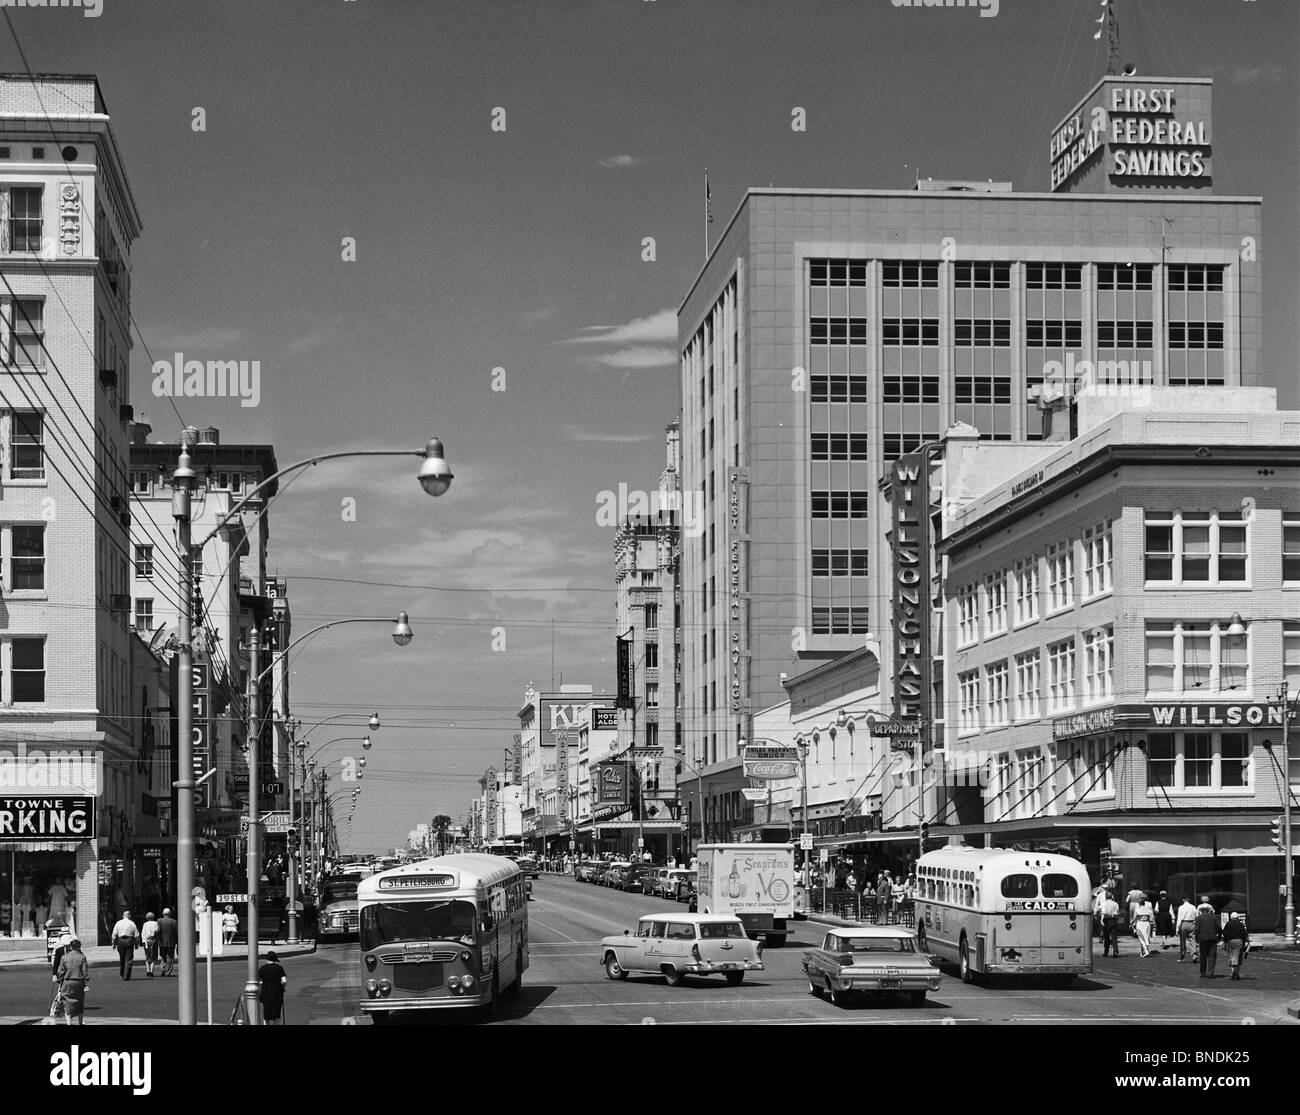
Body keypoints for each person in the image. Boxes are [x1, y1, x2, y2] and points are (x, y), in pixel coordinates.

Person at [54, 937, 89, 1025]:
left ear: (70, 947)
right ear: (79, 947)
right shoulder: (82, 957)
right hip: (79, 982)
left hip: (67, 982)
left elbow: (61, 971)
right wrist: (86, 979)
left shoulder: (64, 957)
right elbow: (84, 971)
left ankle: (69, 1023)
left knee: (67, 1003)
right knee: (79, 1002)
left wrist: (59, 980)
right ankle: (80, 1022)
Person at [258, 951, 288, 1024]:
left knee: (266, 1010)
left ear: (267, 959)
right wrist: (282, 987)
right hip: (277, 991)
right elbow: (284, 981)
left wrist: (262, 984)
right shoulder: (279, 968)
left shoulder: (262, 968)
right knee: (276, 1011)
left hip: (265, 991)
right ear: (275, 960)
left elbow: (258, 980)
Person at [1194, 897, 1220, 979]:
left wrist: (1196, 939)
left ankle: (1203, 973)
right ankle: (1211, 973)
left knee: (1203, 956)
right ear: (1209, 910)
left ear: (1201, 911)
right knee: (1212, 956)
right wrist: (1219, 937)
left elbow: (1196, 929)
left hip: (1203, 939)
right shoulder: (1213, 917)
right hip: (1212, 938)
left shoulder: (1198, 918)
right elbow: (1219, 928)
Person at [111, 909, 139, 980]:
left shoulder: (118, 923)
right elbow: (136, 934)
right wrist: (136, 943)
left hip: (120, 941)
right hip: (129, 941)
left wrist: (113, 943)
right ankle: (126, 975)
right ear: (129, 916)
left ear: (123, 916)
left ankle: (122, 972)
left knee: (122, 957)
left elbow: (114, 934)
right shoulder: (132, 923)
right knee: (128, 959)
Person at [1222, 912, 1249, 980]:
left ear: (1231, 917)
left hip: (1231, 941)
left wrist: (1225, 942)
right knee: (1239, 958)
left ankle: (1234, 972)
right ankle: (1237, 973)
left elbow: (1225, 934)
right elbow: (1244, 934)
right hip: (1239, 941)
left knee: (1232, 957)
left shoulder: (1228, 924)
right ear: (1237, 917)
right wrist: (1246, 941)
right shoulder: (1240, 924)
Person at [1174, 896, 1198, 962]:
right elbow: (1196, 916)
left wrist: (1177, 929)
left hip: (1184, 923)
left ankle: (1182, 956)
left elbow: (1179, 918)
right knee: (1193, 940)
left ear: (1183, 900)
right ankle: (1194, 954)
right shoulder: (1193, 907)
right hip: (1192, 923)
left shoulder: (1181, 907)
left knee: (1182, 941)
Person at [157, 908, 179, 976]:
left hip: (162, 942)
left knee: (163, 957)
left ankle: (163, 969)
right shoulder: (174, 922)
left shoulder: (159, 921)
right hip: (171, 942)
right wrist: (178, 942)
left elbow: (158, 931)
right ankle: (168, 971)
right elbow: (177, 933)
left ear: (163, 914)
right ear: (170, 914)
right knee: (170, 957)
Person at [1100, 890, 1122, 957]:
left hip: (1106, 921)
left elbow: (1103, 912)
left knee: (1106, 938)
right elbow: (1117, 913)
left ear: (1106, 897)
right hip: (1114, 920)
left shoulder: (1104, 903)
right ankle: (1115, 951)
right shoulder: (1116, 904)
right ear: (1112, 897)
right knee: (1114, 937)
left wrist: (1101, 920)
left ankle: (1106, 952)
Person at [141, 912, 160, 977]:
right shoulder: (156, 923)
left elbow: (143, 933)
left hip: (146, 941)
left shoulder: (145, 924)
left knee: (147, 956)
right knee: (153, 956)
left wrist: (144, 941)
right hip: (153, 941)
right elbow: (157, 931)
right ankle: (151, 971)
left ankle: (148, 970)